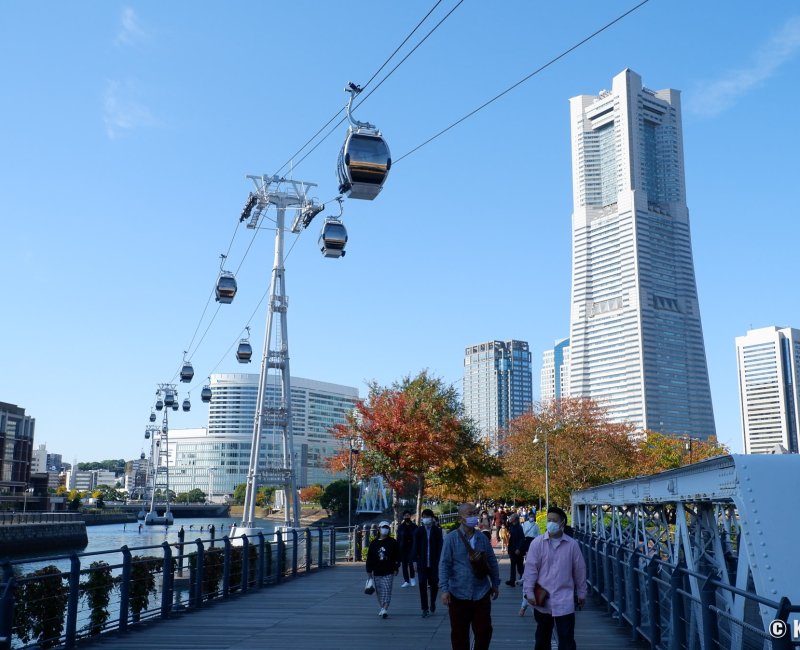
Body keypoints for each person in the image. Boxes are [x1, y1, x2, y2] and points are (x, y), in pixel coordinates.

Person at [522, 506, 587, 650]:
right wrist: (529, 592)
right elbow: (530, 570)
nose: (550, 523)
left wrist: (582, 593)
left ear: (562, 523)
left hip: (565, 600)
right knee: (542, 639)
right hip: (543, 599)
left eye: (554, 520)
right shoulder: (537, 543)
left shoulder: (572, 545)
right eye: (548, 520)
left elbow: (580, 571)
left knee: (567, 640)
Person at [439, 502, 501, 650]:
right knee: (459, 634)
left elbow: (492, 561)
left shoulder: (482, 538)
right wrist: (444, 589)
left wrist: (495, 583)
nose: (474, 517)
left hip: (481, 592)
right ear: (461, 517)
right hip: (458, 593)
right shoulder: (451, 538)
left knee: (484, 630)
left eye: (475, 513)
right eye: (470, 514)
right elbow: (444, 564)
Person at [365, 520, 401, 619]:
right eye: (383, 527)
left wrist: (396, 567)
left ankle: (385, 608)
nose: (385, 529)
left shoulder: (393, 542)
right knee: (379, 591)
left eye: (387, 527)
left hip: (389, 571)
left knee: (387, 590)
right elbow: (370, 558)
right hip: (376, 571)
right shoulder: (374, 543)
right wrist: (369, 571)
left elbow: (397, 556)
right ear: (379, 529)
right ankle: (382, 607)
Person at [412, 508, 443, 618]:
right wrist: (414, 561)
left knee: (434, 584)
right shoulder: (418, 531)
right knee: (422, 584)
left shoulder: (437, 531)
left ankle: (433, 602)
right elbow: (414, 547)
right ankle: (424, 608)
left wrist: (440, 561)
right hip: (422, 563)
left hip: (434, 563)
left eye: (428, 517)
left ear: (432, 518)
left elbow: (440, 547)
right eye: (424, 517)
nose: (426, 519)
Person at [396, 510, 418, 587]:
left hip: (412, 547)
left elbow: (417, 537)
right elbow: (398, 538)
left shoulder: (414, 526)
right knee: (404, 565)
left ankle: (412, 578)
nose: (407, 517)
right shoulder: (401, 527)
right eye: (405, 516)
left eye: (408, 515)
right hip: (403, 548)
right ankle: (406, 581)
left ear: (410, 516)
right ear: (403, 517)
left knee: (411, 563)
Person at [506, 513, 525, 586]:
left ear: (515, 519)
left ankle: (523, 579)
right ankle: (512, 580)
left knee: (520, 566)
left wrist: (519, 548)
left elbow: (522, 539)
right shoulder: (512, 526)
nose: (510, 517)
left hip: (518, 550)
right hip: (512, 549)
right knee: (512, 565)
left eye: (512, 517)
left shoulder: (519, 527)